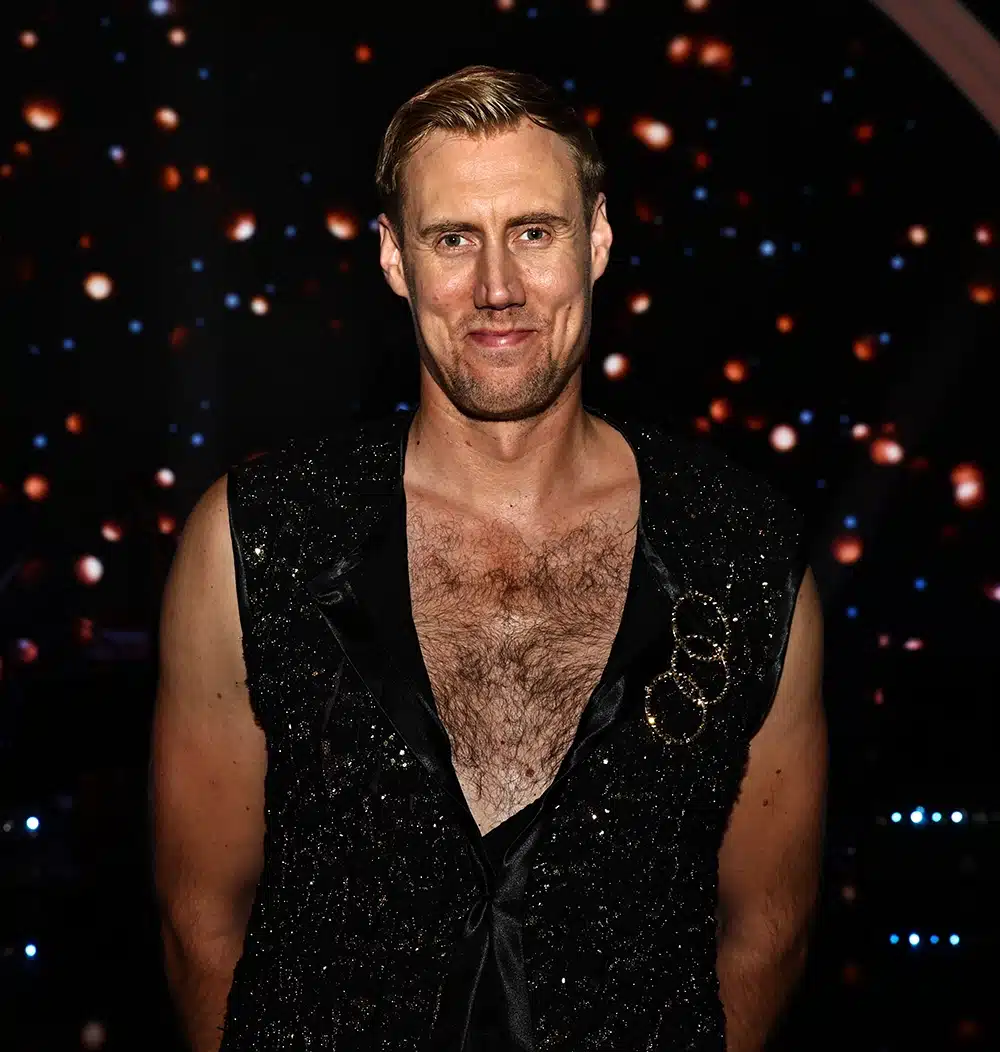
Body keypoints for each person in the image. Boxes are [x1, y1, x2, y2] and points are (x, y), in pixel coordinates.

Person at [152, 65, 827, 1052]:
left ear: (598, 239)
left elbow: (768, 927)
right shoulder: (252, 538)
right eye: (453, 239)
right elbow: (200, 914)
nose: (497, 288)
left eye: (534, 232)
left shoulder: (744, 553)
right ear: (394, 258)